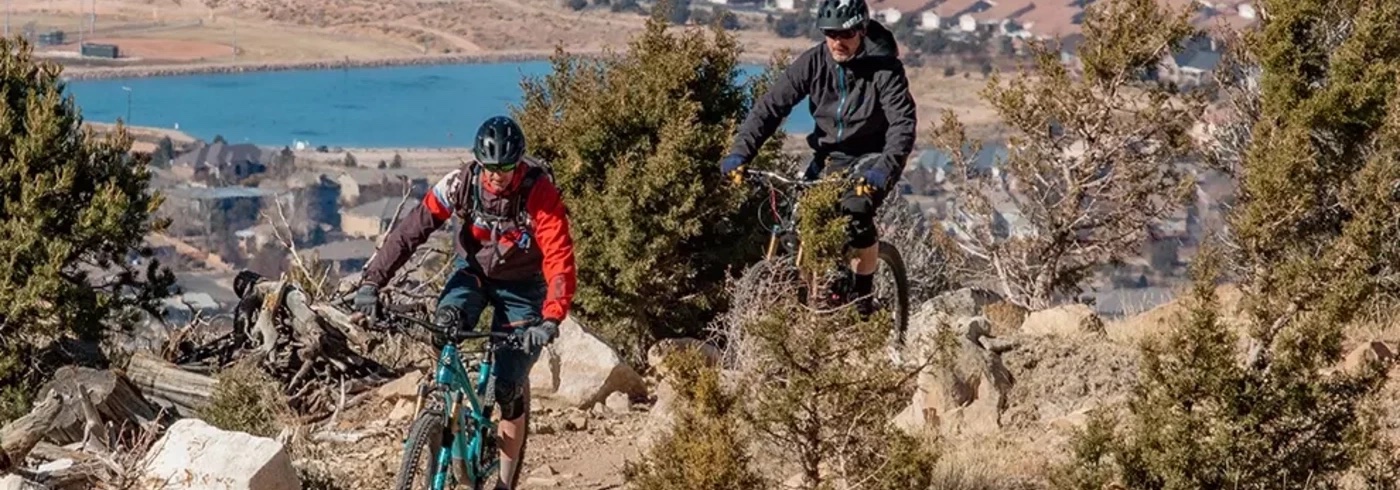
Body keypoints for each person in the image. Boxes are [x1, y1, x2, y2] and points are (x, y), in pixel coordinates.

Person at [351, 116, 576, 490]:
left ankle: (504, 481)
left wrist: (550, 319)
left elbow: (559, 258)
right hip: (471, 273)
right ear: (478, 162)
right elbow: (412, 230)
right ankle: (446, 413)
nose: (498, 175)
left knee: (507, 386)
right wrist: (372, 282)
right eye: (491, 167)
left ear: (519, 162)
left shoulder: (539, 193)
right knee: (445, 324)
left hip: (523, 287)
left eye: (507, 167)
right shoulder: (461, 183)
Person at [720, 0, 916, 313]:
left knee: (855, 213)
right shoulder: (813, 62)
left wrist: (884, 169)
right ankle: (810, 301)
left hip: (872, 157)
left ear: (862, 30)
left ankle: (863, 300)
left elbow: (902, 126)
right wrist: (740, 153)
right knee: (794, 220)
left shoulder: (886, 69)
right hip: (828, 157)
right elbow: (770, 108)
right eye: (830, 33)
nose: (838, 40)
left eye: (846, 33)